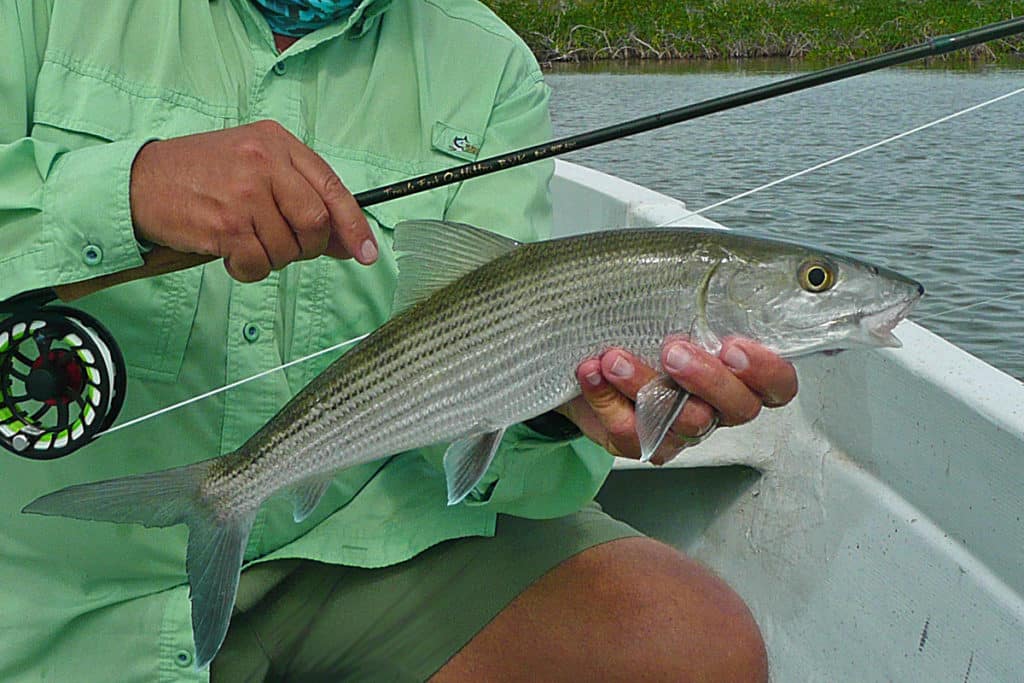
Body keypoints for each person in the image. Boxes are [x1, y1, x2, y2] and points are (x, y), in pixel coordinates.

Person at [0, 1, 795, 680]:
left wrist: (558, 411)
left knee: (695, 645)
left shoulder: (489, 66)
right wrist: (125, 194)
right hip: (53, 568)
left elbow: (501, 451)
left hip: (364, 535)